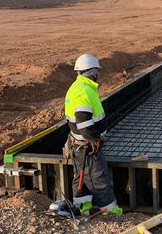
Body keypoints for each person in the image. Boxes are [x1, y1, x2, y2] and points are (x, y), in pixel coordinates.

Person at [64, 54, 122, 215]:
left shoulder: (76, 87)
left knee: (80, 176)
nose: (98, 75)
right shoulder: (84, 91)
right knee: (99, 178)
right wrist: (94, 139)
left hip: (77, 143)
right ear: (93, 71)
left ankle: (84, 207)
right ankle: (110, 211)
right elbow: (83, 121)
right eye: (97, 71)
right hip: (87, 145)